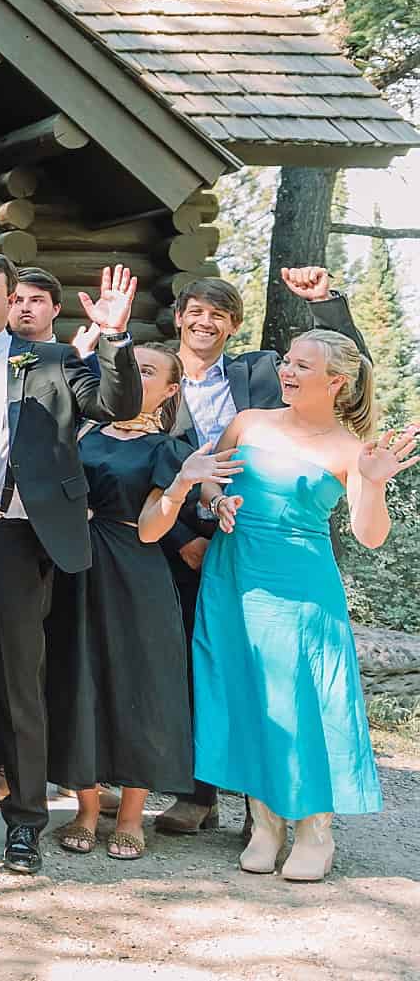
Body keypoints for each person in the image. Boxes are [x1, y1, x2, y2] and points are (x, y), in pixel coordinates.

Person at [0, 254, 142, 877]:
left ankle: (24, 820)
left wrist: (116, 337)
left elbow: (116, 404)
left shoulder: (49, 362)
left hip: (13, 541)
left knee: (18, 687)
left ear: (9, 299)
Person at [193, 331, 413, 881]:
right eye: (288, 362)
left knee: (305, 698)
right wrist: (216, 500)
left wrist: (374, 483)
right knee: (244, 691)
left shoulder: (348, 449)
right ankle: (264, 821)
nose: (286, 372)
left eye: (301, 366)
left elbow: (370, 536)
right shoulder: (248, 422)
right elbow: (205, 482)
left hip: (300, 585)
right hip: (233, 573)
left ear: (335, 381)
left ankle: (315, 826)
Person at [153, 267, 365, 834]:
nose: (205, 322)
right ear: (178, 318)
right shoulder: (154, 376)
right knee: (199, 667)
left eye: (218, 314)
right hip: (173, 539)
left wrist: (326, 305)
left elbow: (343, 370)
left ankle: (263, 807)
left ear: (233, 326)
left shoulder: (259, 374)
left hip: (259, 548)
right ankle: (195, 796)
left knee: (264, 672)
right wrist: (186, 538)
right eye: (195, 311)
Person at [45, 342, 219, 862]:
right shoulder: (83, 431)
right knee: (80, 675)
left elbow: (150, 530)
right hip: (76, 566)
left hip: (134, 568)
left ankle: (129, 816)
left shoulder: (167, 449)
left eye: (147, 371)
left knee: (137, 680)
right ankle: (86, 808)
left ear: (170, 389)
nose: (133, 377)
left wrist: (181, 485)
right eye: (128, 367)